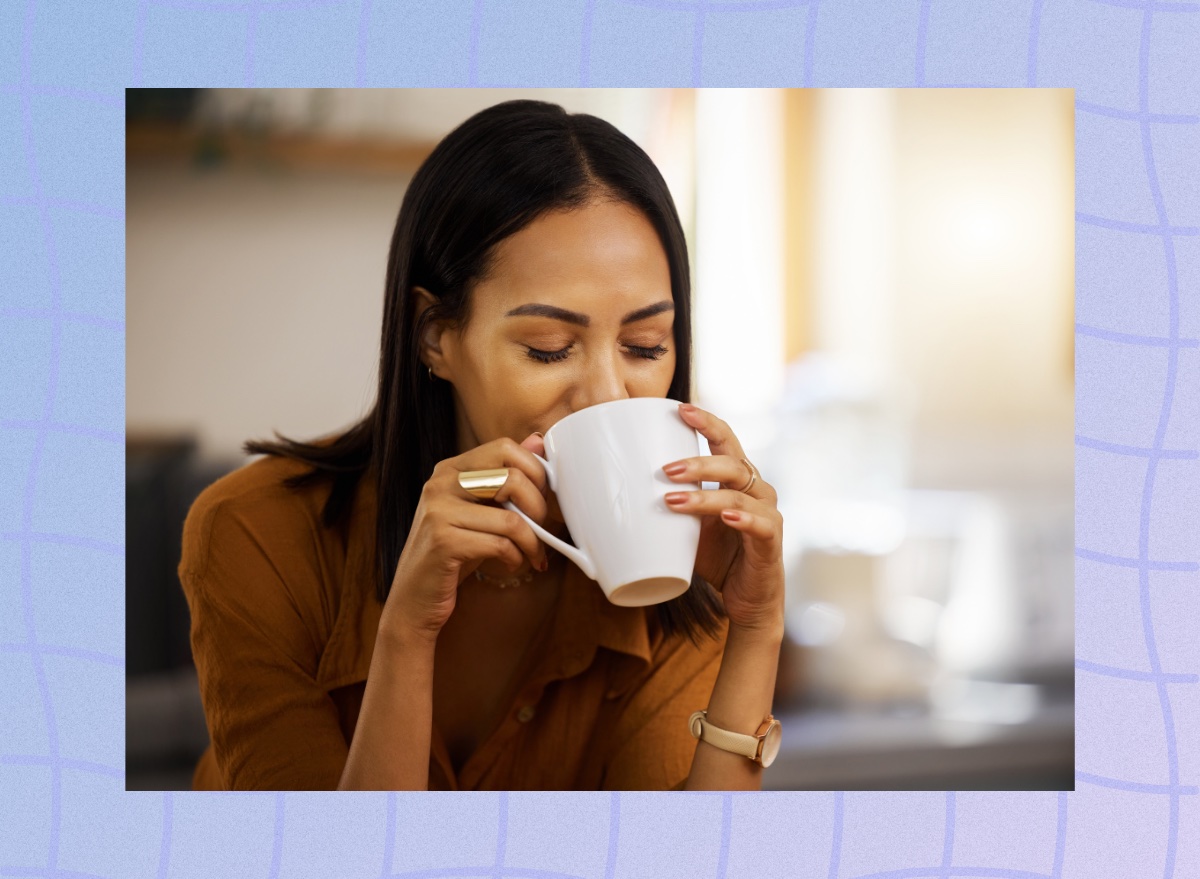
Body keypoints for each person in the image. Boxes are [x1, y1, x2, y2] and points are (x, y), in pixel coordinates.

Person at [178, 99, 785, 791]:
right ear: (436, 336)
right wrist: (407, 632)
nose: (610, 394)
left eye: (646, 345)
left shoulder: (680, 558)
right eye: (550, 349)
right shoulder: (256, 534)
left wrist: (756, 625)